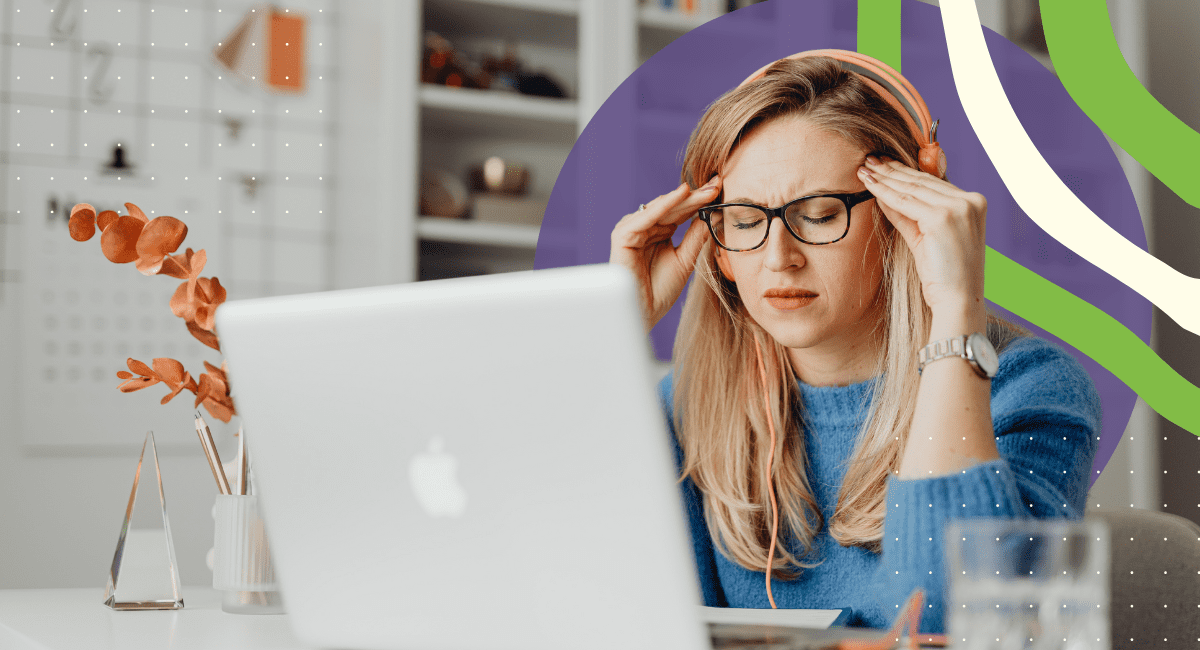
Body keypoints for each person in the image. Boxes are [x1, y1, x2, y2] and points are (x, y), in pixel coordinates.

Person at [608, 52, 1100, 634]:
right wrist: (610, 332)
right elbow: (595, 606)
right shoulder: (685, 407)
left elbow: (949, 623)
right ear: (717, 246)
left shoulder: (1030, 389)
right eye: (743, 221)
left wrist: (954, 314)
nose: (778, 258)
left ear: (904, 217)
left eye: (818, 215)